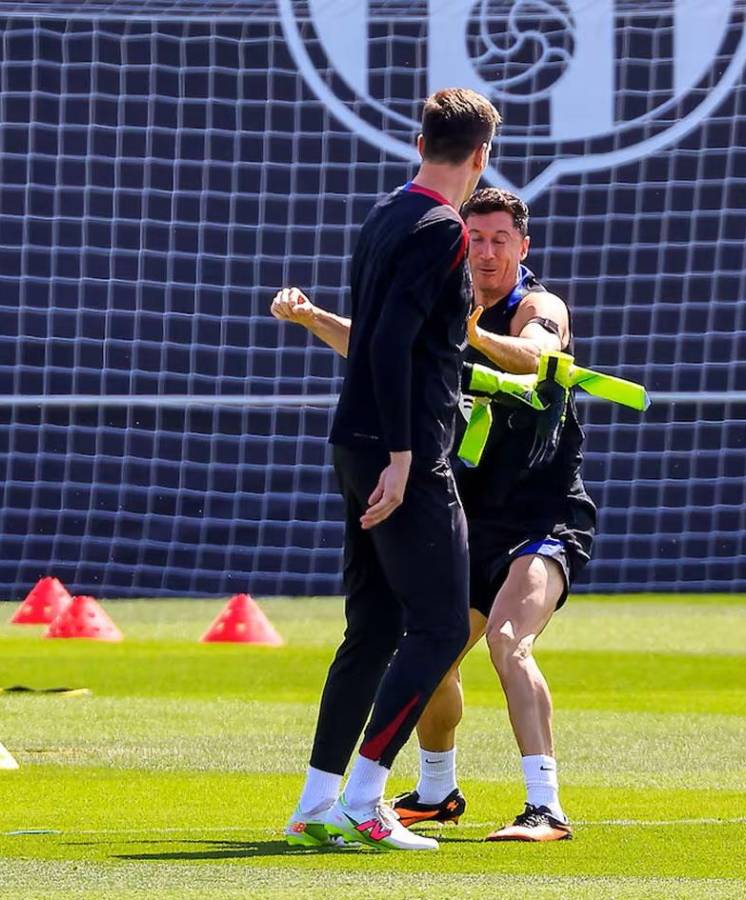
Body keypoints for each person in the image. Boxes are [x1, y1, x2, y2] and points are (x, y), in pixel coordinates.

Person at [273, 187, 594, 842]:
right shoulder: (448, 298)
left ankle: (545, 807)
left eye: (501, 239)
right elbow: (375, 350)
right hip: (472, 513)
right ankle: (437, 789)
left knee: (508, 641)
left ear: (523, 247)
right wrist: (311, 318)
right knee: (433, 654)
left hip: (543, 514)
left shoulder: (536, 306)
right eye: (475, 238)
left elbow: (535, 358)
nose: (485, 251)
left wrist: (475, 333)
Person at [280, 88, 501, 852]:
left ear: (419, 144)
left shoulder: (385, 215)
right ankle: (369, 799)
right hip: (399, 449)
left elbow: (380, 338)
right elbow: (388, 346)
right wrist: (407, 457)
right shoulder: (442, 228)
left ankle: (316, 802)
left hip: (356, 439)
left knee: (373, 628)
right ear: (481, 155)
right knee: (441, 627)